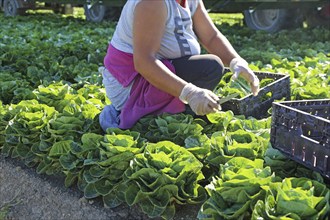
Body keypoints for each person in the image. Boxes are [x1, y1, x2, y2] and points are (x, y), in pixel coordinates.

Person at [99, 0, 260, 131]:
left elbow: (211, 36)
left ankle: (179, 110)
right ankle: (165, 115)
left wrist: (236, 61)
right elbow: (143, 62)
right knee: (210, 67)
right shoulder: (152, 3)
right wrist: (190, 93)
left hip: (161, 70)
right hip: (132, 85)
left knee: (209, 67)